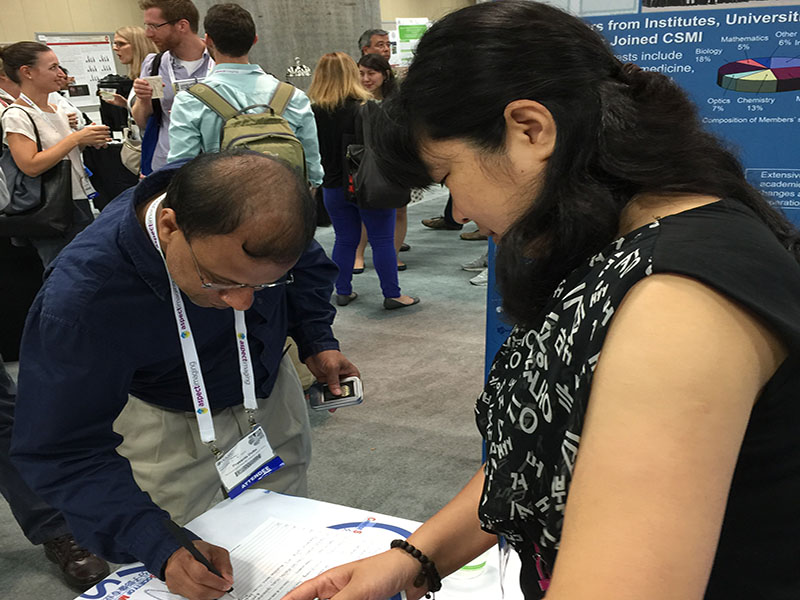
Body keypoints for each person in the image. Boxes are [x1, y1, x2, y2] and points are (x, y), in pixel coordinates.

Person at [284, 2, 800, 600]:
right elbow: (543, 451)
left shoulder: (676, 302)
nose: (460, 211)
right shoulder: (618, 241)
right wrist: (417, 558)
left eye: (449, 178)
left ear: (531, 129)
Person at [11, 149, 359, 600]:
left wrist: (316, 339)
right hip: (168, 421)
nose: (242, 301)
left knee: (287, 540)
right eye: (219, 280)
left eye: (262, 284)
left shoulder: (262, 210)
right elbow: (61, 448)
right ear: (170, 226)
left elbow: (308, 268)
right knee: (192, 569)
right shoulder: (82, 299)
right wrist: (154, 541)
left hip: (267, 394)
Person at [166, 1, 323, 190]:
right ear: (254, 40)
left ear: (208, 40)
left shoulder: (190, 100)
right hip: (288, 201)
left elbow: (180, 171)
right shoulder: (294, 97)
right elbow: (313, 173)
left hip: (224, 203)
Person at [309, 52, 418, 311]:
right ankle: (392, 293)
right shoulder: (366, 108)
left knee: (344, 239)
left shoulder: (312, 111)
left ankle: (342, 290)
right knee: (382, 240)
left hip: (332, 187)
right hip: (368, 186)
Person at [0, 42, 111, 267]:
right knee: (64, 271)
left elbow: (63, 154)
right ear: (27, 72)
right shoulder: (16, 115)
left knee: (88, 268)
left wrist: (86, 142)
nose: (61, 74)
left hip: (77, 199)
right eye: (52, 68)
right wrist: (75, 139)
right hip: (53, 207)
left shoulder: (56, 110)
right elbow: (30, 165)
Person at [131, 0, 214, 173]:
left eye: (154, 26)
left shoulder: (217, 59)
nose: (148, 34)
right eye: (147, 26)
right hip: (168, 166)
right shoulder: (154, 65)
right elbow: (142, 122)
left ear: (182, 25)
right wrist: (143, 100)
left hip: (214, 166)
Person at [353, 52, 407, 272]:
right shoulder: (355, 101)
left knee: (399, 210)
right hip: (363, 162)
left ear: (385, 74)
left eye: (371, 73)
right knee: (364, 209)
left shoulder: (398, 102)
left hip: (395, 162)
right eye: (361, 73)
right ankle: (358, 254)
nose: (366, 79)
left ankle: (392, 255)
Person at [103, 26, 158, 109]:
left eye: (121, 44)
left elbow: (157, 110)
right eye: (115, 44)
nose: (114, 48)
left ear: (138, 46)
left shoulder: (154, 72)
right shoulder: (140, 75)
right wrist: (126, 104)